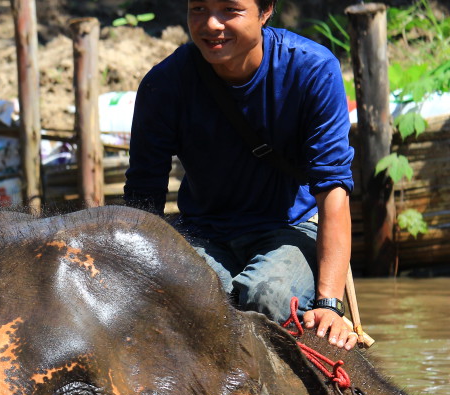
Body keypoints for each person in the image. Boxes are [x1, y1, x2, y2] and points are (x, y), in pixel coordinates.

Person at [123, 0, 358, 349]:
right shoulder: (164, 84)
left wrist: (328, 304)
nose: (211, 24)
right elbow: (144, 198)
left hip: (291, 226)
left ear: (265, 12)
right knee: (194, 301)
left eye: (230, 10)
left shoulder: (311, 69)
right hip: (203, 232)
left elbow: (333, 188)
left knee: (269, 299)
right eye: (198, 9)